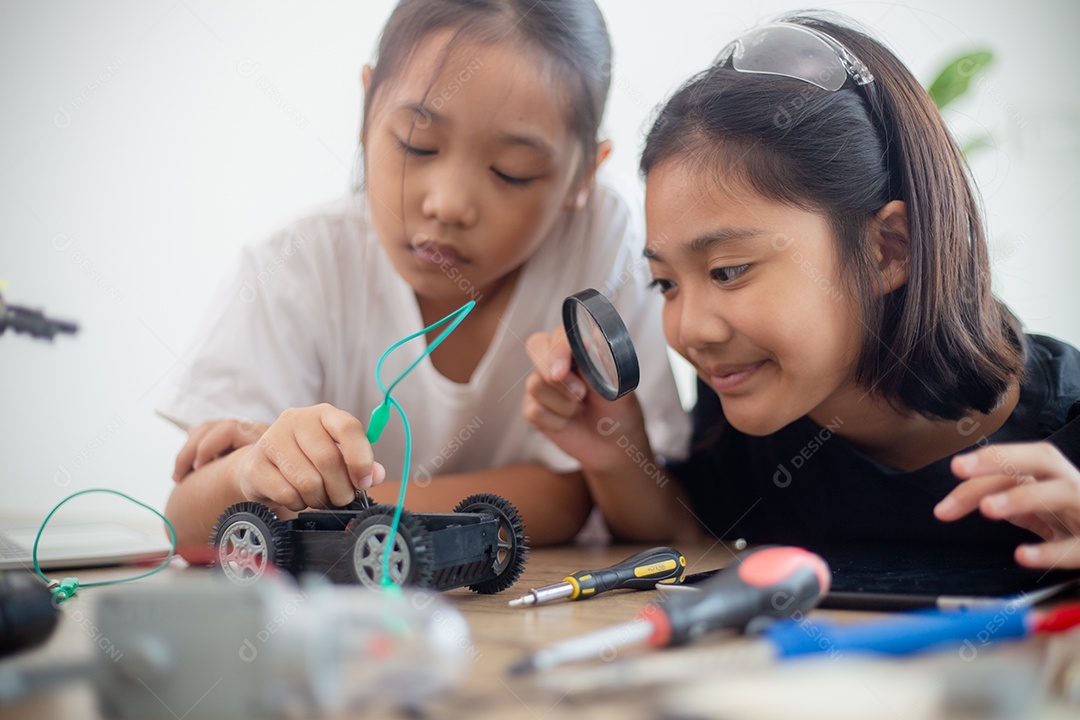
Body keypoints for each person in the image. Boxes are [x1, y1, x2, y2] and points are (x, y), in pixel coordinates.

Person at [523, 13, 1080, 567]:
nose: (690, 330)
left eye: (728, 271)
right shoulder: (754, 418)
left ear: (889, 250)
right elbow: (689, 540)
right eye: (665, 283)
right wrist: (617, 453)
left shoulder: (1067, 426)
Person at [160, 0, 690, 560]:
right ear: (367, 108)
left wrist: (316, 510)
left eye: (512, 172)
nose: (447, 204)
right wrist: (249, 470)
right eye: (417, 144)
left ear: (584, 174)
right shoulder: (299, 265)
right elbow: (187, 523)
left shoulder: (601, 240)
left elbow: (611, 509)